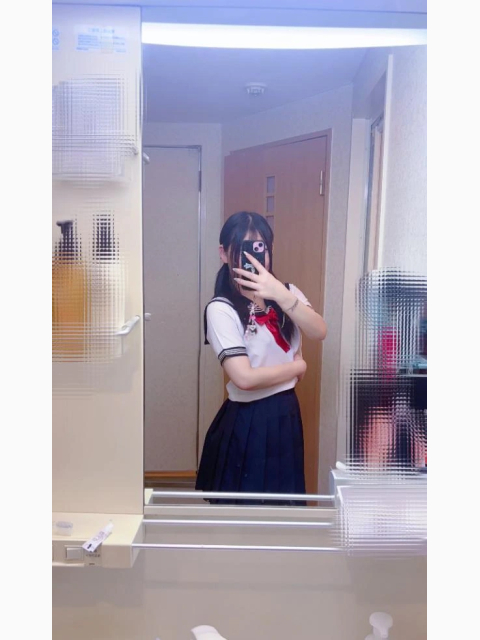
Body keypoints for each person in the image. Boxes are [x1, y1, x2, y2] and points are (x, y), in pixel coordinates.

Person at [195, 211, 327, 504]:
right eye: (242, 248)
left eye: (260, 247)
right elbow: (244, 378)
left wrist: (280, 294)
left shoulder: (288, 294)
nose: (254, 257)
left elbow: (319, 331)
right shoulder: (220, 308)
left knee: (284, 508)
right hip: (247, 419)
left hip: (286, 413)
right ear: (223, 253)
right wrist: (297, 366)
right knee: (245, 511)